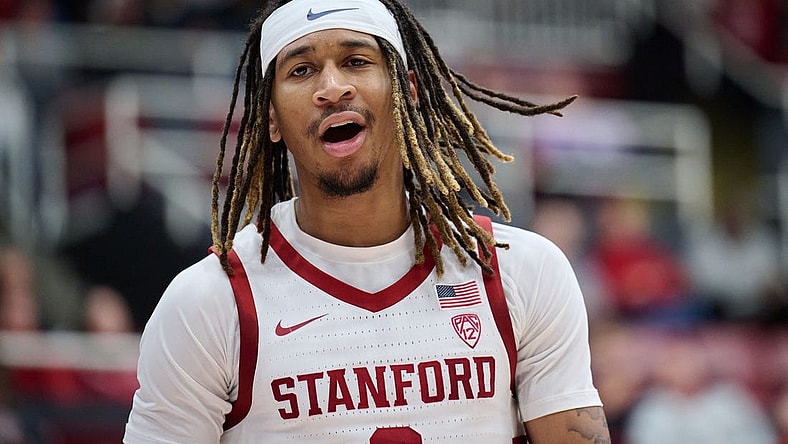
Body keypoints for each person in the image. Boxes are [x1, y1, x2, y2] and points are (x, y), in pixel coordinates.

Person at [124, 0, 609, 442]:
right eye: (302, 70)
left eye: (356, 61)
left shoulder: (521, 270)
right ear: (270, 117)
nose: (332, 88)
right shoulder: (209, 303)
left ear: (409, 93)